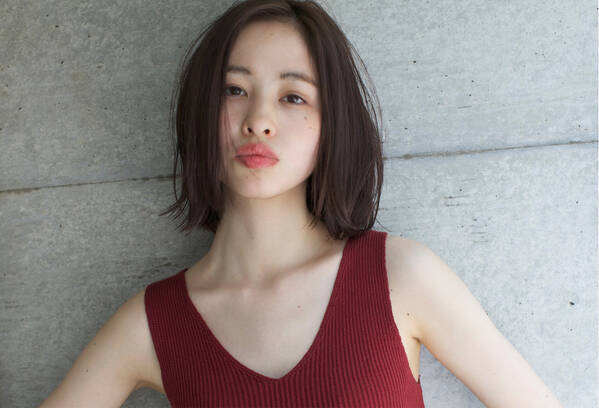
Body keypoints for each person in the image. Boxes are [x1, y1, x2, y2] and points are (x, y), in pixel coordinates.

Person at [41, 0, 563, 407]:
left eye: (293, 97)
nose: (259, 121)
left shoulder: (401, 278)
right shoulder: (154, 325)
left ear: (332, 125)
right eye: (234, 90)